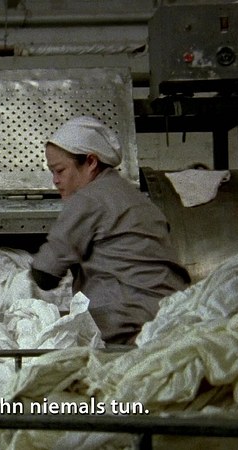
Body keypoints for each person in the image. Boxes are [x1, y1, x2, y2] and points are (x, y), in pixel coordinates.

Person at [30, 116, 189, 345]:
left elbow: (45, 273)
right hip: (173, 317)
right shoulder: (137, 198)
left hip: (128, 327)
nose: (55, 180)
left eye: (60, 170)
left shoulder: (88, 198)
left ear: (90, 162)